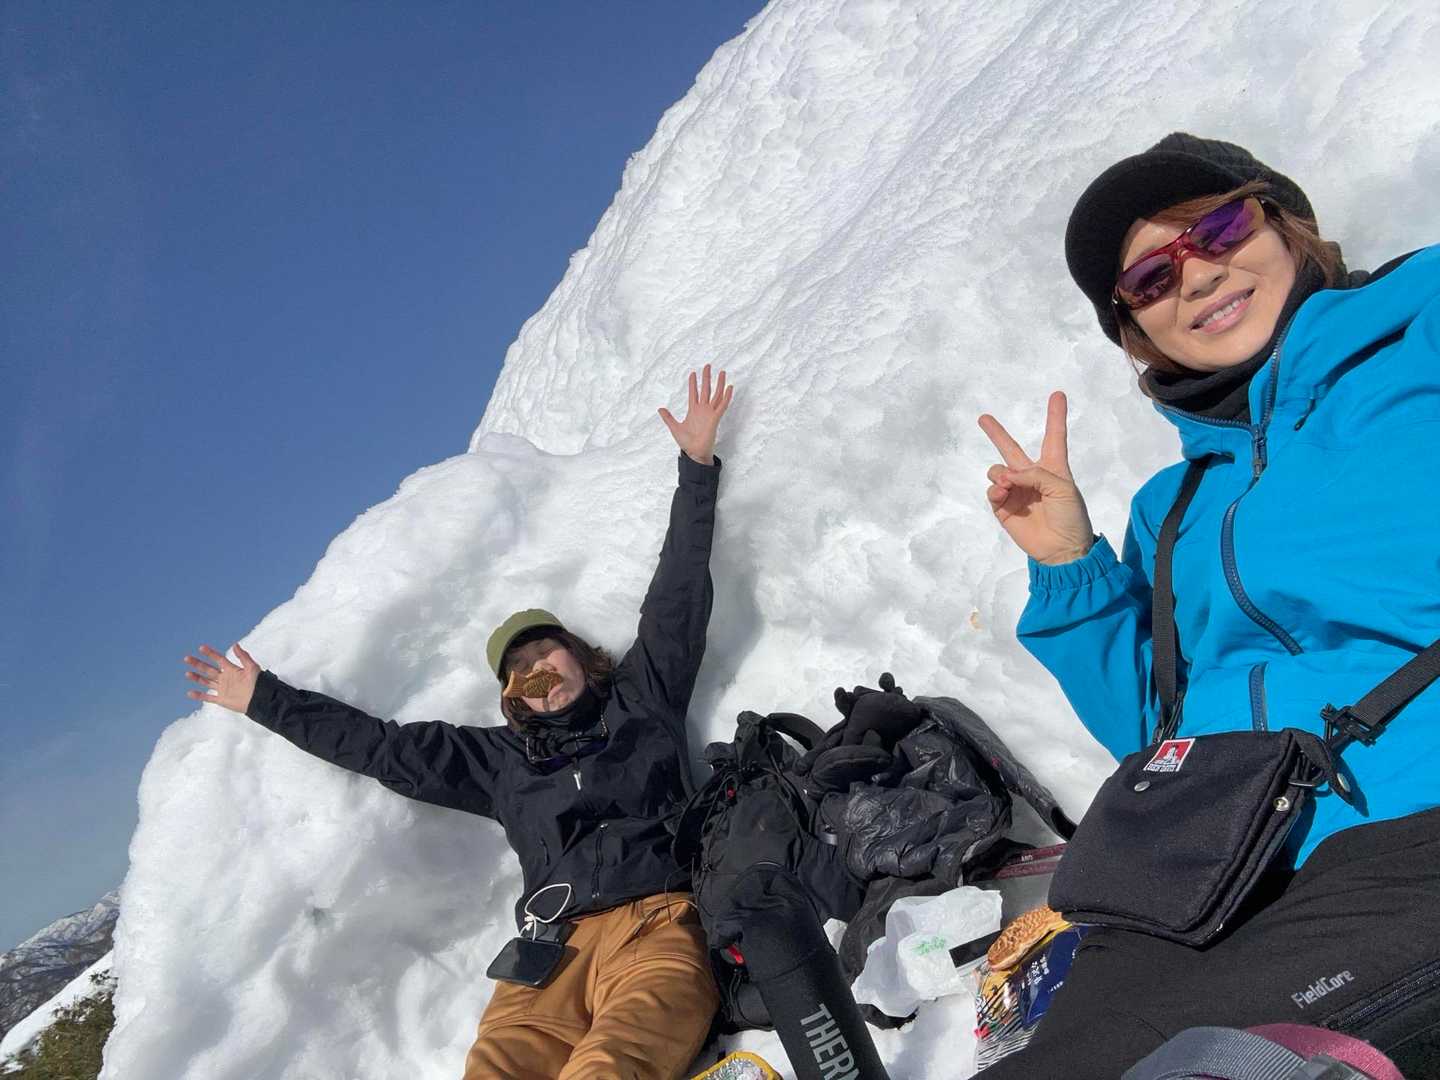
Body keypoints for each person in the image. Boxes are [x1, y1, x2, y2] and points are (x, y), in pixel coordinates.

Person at [976, 133, 1440, 1077]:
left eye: (1219, 229)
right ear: (1136, 333)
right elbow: (1164, 737)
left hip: (1411, 829)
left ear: (1288, 225)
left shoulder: (1421, 335)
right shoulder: (1174, 507)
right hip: (1205, 874)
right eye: (1150, 280)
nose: (1195, 276)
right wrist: (1072, 568)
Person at [184, 366, 735, 1080]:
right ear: (510, 697)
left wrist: (696, 468)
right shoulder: (498, 761)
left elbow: (677, 596)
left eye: (546, 652)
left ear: (579, 655)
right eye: (518, 670)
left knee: (611, 1067)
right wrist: (263, 699)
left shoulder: (643, 697)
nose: (536, 672)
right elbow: (381, 748)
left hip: (657, 930)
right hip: (548, 956)